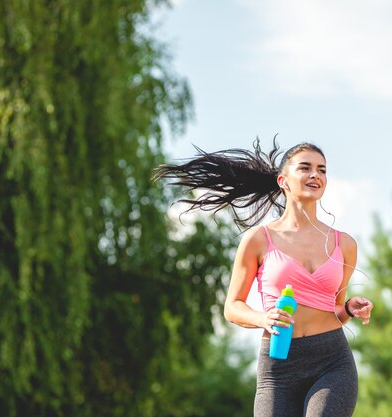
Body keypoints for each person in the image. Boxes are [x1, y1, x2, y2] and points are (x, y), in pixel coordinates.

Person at [154, 139, 373, 417]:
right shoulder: (258, 239)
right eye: (305, 168)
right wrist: (263, 318)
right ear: (283, 180)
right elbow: (232, 307)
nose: (315, 175)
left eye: (322, 170)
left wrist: (350, 307)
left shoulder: (344, 244)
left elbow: (335, 311)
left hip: (331, 361)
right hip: (278, 367)